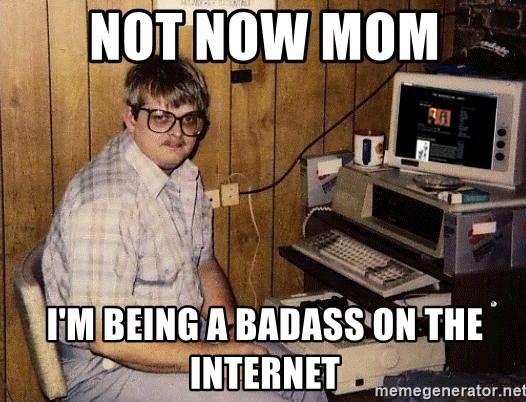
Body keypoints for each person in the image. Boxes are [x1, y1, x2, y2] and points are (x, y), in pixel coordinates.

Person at [42, 56, 327, 402]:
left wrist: (228, 334)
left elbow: (203, 265)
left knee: (305, 379)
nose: (177, 134)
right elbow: (105, 338)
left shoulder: (183, 175)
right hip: (108, 370)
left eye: (189, 119)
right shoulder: (107, 203)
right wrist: (214, 358)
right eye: (161, 118)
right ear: (130, 117)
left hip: (179, 335)